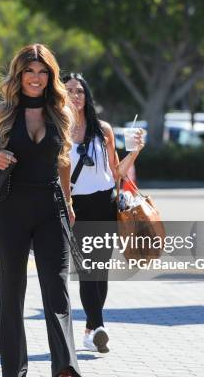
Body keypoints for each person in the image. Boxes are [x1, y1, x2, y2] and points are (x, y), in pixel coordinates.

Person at [0, 44, 82, 377]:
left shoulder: (61, 113)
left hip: (50, 207)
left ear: (51, 76)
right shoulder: (0, 114)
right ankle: (14, 371)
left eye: (43, 72)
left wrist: (68, 200)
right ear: (19, 75)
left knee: (56, 286)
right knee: (12, 290)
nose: (36, 78)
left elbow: (63, 161)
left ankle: (65, 368)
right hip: (10, 210)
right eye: (30, 72)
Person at [62, 72, 144, 354]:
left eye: (80, 91)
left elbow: (117, 172)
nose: (76, 95)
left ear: (87, 96)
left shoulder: (103, 130)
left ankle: (90, 331)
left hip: (105, 203)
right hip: (75, 206)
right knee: (87, 269)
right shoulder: (58, 128)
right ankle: (98, 326)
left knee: (101, 270)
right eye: (70, 90)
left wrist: (134, 152)